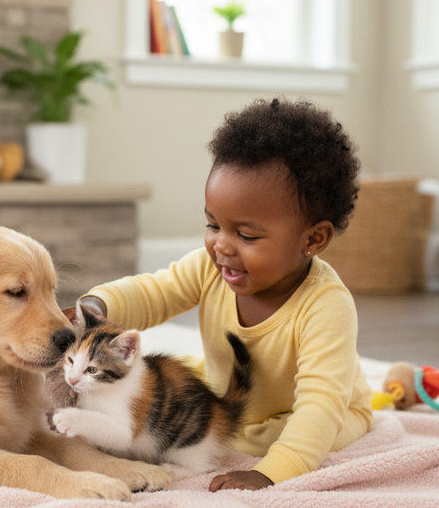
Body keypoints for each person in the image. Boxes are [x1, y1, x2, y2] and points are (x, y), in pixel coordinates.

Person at [77, 98, 373, 491]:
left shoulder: (326, 306)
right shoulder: (208, 266)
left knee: (278, 436)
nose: (221, 246)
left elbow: (320, 408)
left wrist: (270, 472)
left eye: (246, 235)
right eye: (212, 224)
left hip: (328, 409)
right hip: (236, 399)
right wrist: (98, 307)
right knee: (186, 409)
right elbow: (153, 292)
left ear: (313, 239)